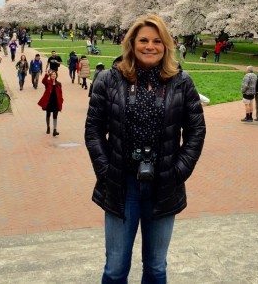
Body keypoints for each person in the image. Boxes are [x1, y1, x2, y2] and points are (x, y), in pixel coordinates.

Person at [85, 14, 206, 283]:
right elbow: (93, 130)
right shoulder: (109, 80)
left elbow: (196, 130)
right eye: (143, 40)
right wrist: (106, 170)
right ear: (131, 43)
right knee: (115, 267)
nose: (149, 46)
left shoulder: (181, 82)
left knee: (156, 267)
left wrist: (179, 171)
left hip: (164, 184)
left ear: (166, 45)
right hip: (121, 184)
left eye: (157, 41)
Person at [37, 69, 64, 136]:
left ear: (56, 75)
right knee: (48, 114)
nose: (53, 75)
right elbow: (43, 81)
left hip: (56, 102)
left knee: (55, 116)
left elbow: (60, 93)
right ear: (50, 76)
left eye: (55, 74)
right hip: (49, 101)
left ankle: (55, 130)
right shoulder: (48, 82)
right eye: (52, 75)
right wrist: (47, 75)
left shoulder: (59, 84)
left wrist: (61, 100)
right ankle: (48, 127)